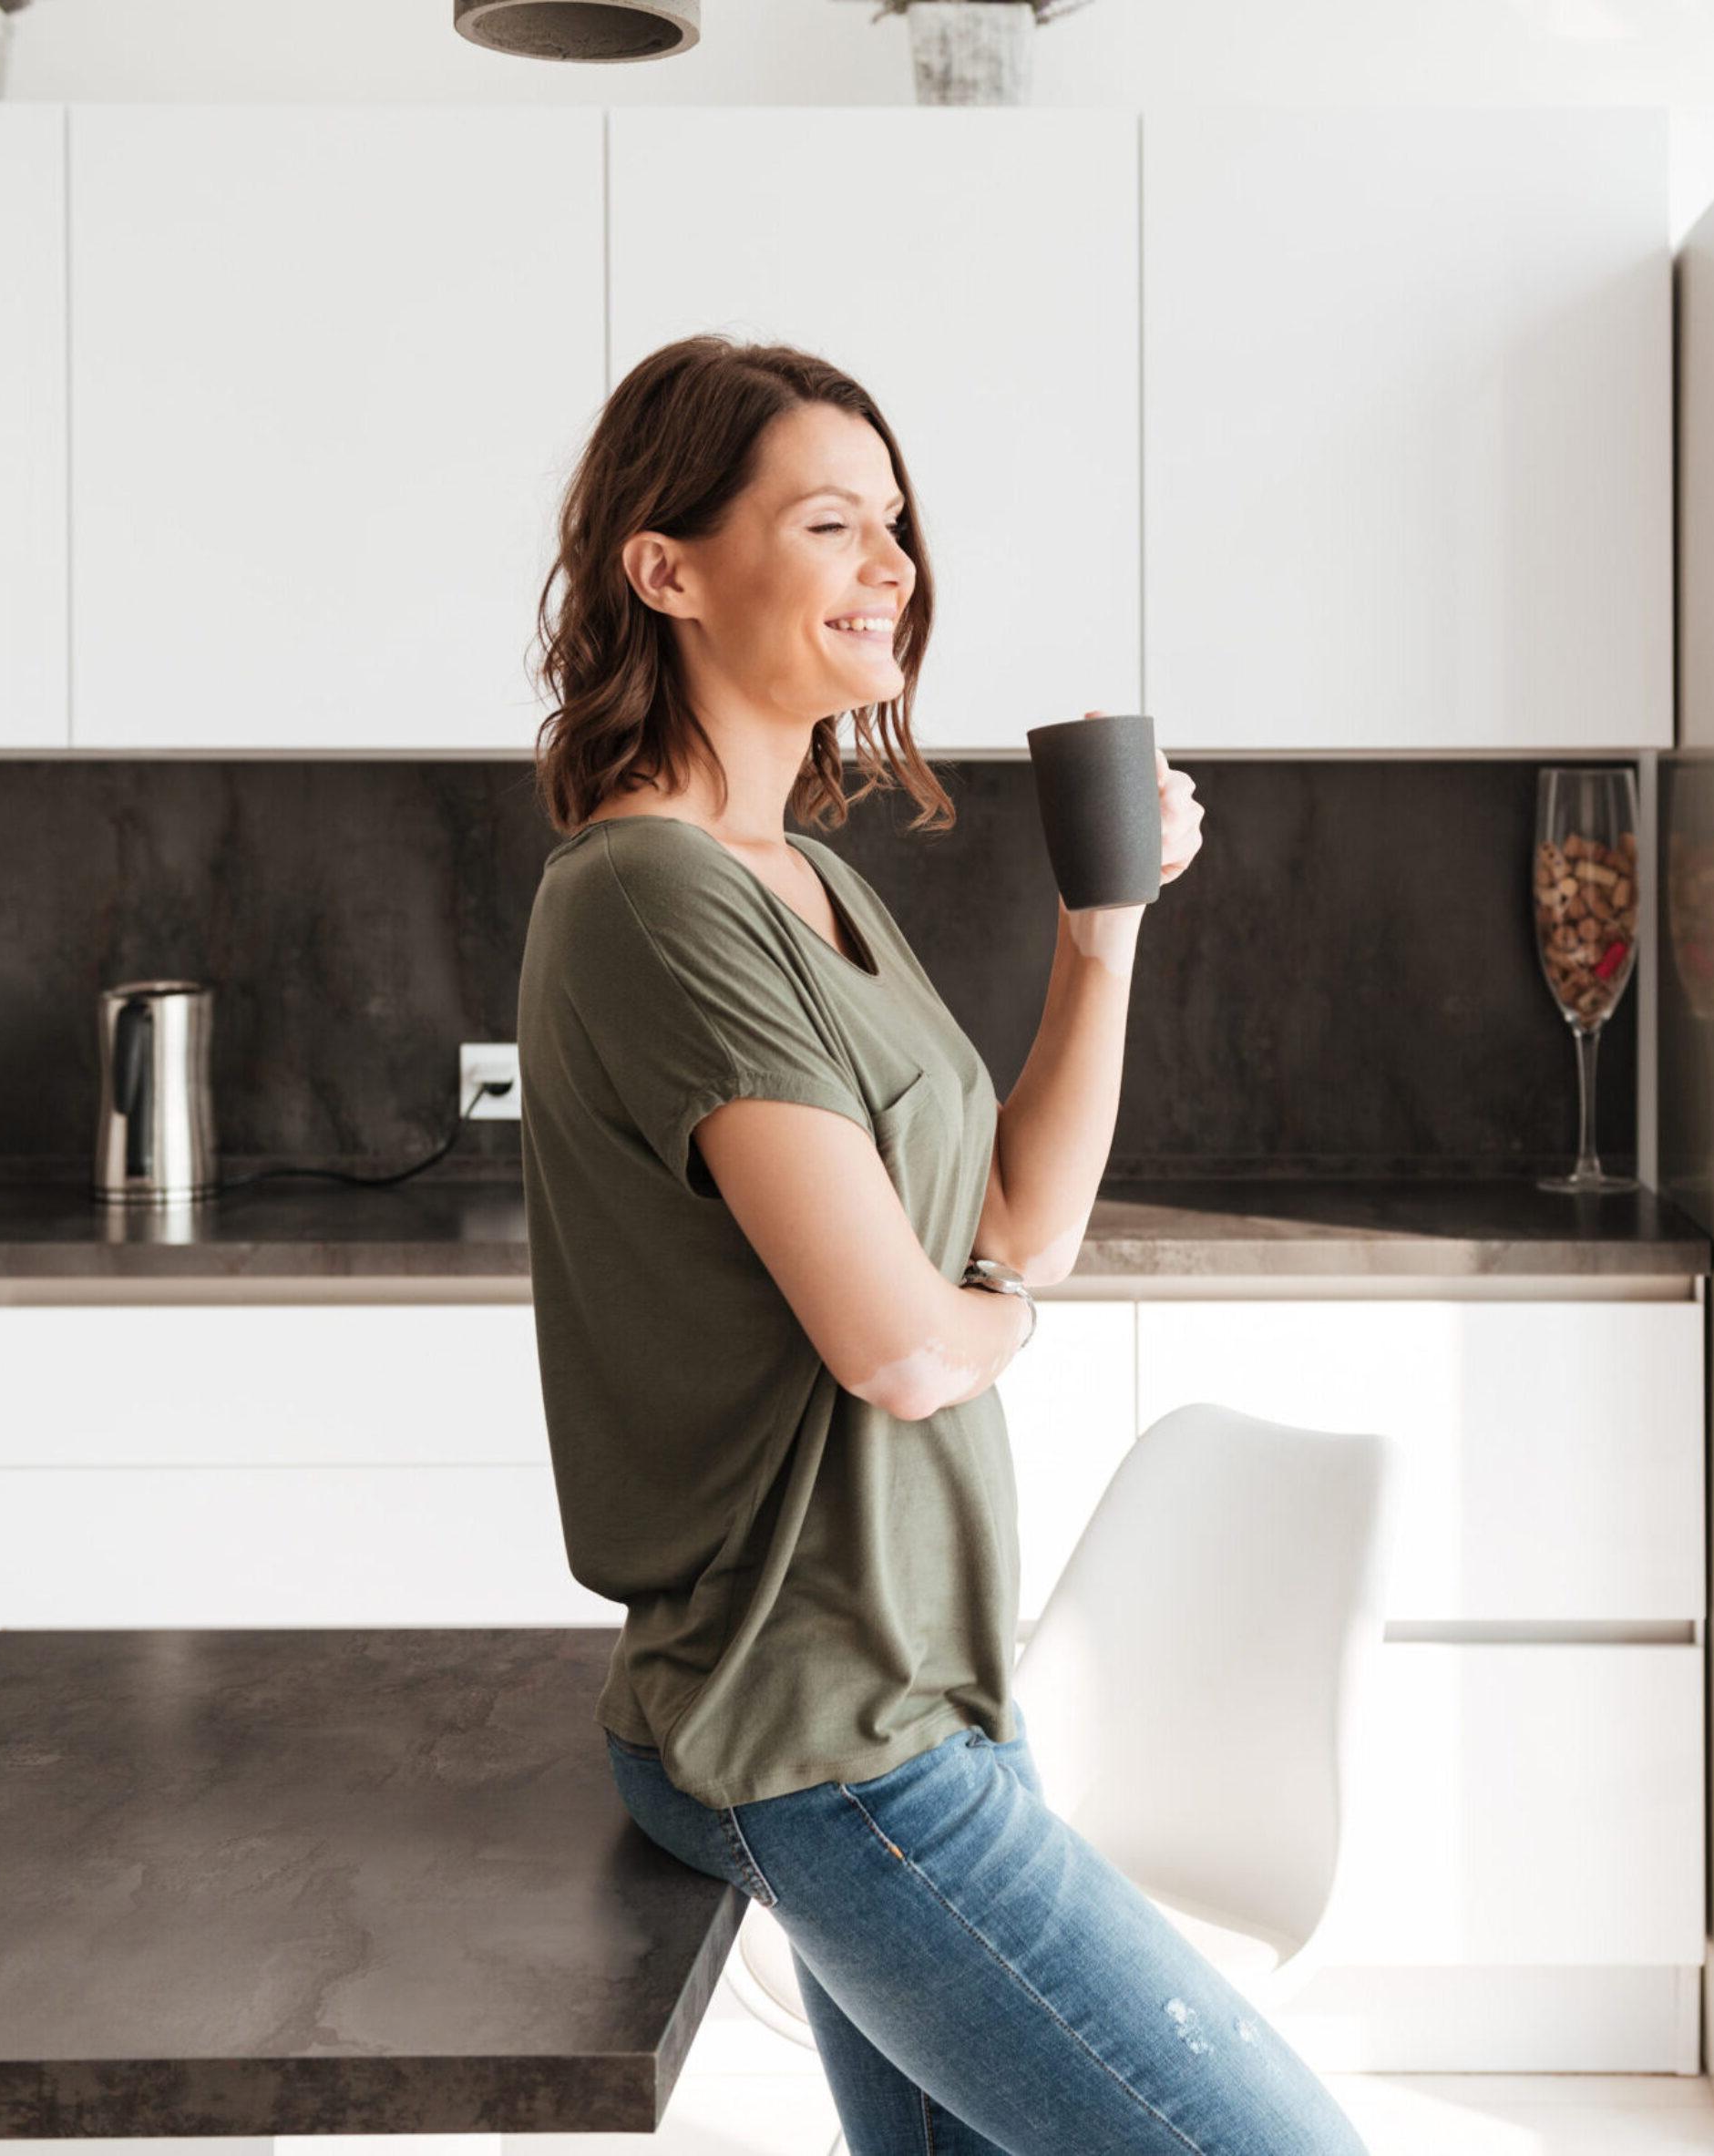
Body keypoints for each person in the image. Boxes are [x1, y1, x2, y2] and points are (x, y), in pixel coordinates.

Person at [516, 333, 1366, 2156]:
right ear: (664, 572)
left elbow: (1012, 1227)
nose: (895, 565)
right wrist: (986, 1324)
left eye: (895, 523)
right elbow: (902, 1342)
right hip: (823, 1735)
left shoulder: (811, 881)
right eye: (830, 522)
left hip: (923, 1704)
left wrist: (1104, 925)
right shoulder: (652, 895)